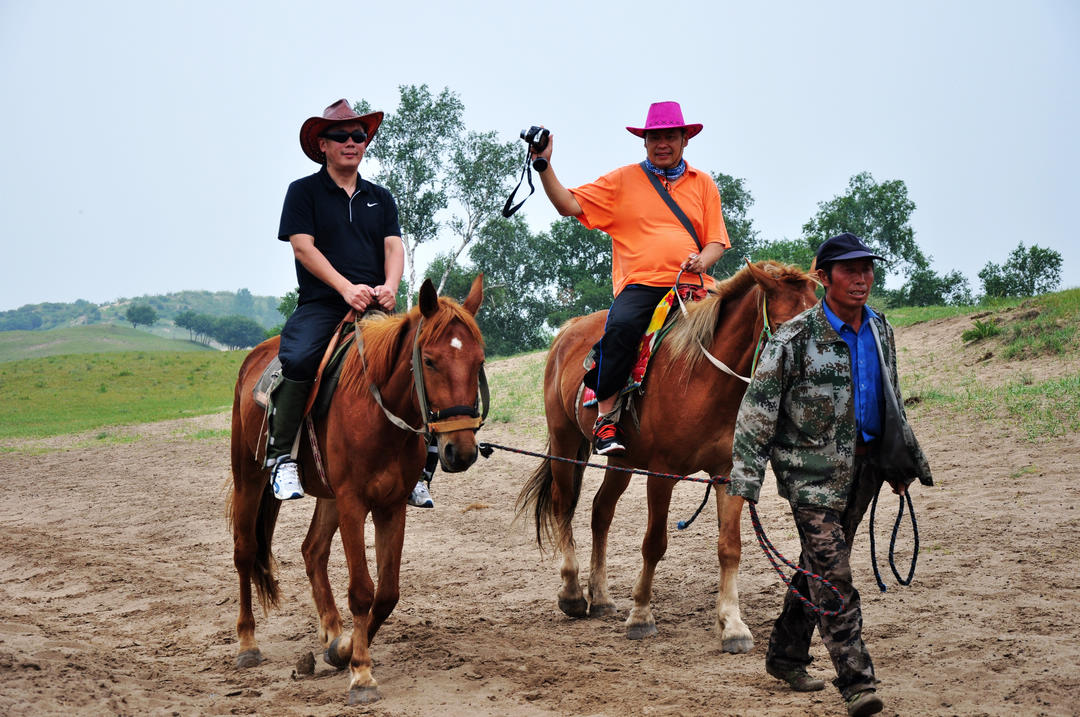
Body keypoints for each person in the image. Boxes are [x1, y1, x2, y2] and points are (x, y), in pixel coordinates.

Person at [727, 232, 933, 716]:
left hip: (862, 471)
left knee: (815, 566)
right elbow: (757, 412)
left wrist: (898, 462)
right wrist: (746, 481)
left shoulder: (881, 329)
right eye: (849, 270)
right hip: (810, 478)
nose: (861, 279)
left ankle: (784, 654)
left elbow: (889, 399)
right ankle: (858, 682)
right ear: (824, 278)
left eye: (867, 269)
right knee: (834, 575)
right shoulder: (793, 338)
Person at [532, 101, 731, 455]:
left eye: (670, 136)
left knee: (742, 327)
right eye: (655, 137)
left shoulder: (704, 184)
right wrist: (543, 164)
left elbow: (716, 240)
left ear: (685, 139)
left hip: (695, 285)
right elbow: (567, 204)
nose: (662, 143)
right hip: (643, 284)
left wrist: (703, 259)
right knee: (622, 328)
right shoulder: (623, 180)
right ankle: (606, 418)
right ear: (644, 142)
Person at [272, 98, 434, 508]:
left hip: (377, 307)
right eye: (341, 136)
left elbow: (394, 247)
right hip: (323, 305)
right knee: (301, 358)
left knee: (422, 359)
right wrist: (346, 288)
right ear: (322, 145)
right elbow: (303, 248)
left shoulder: (380, 197)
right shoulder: (303, 192)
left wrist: (390, 286)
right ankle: (281, 457)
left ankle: (422, 465)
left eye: (358, 136)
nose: (351, 142)